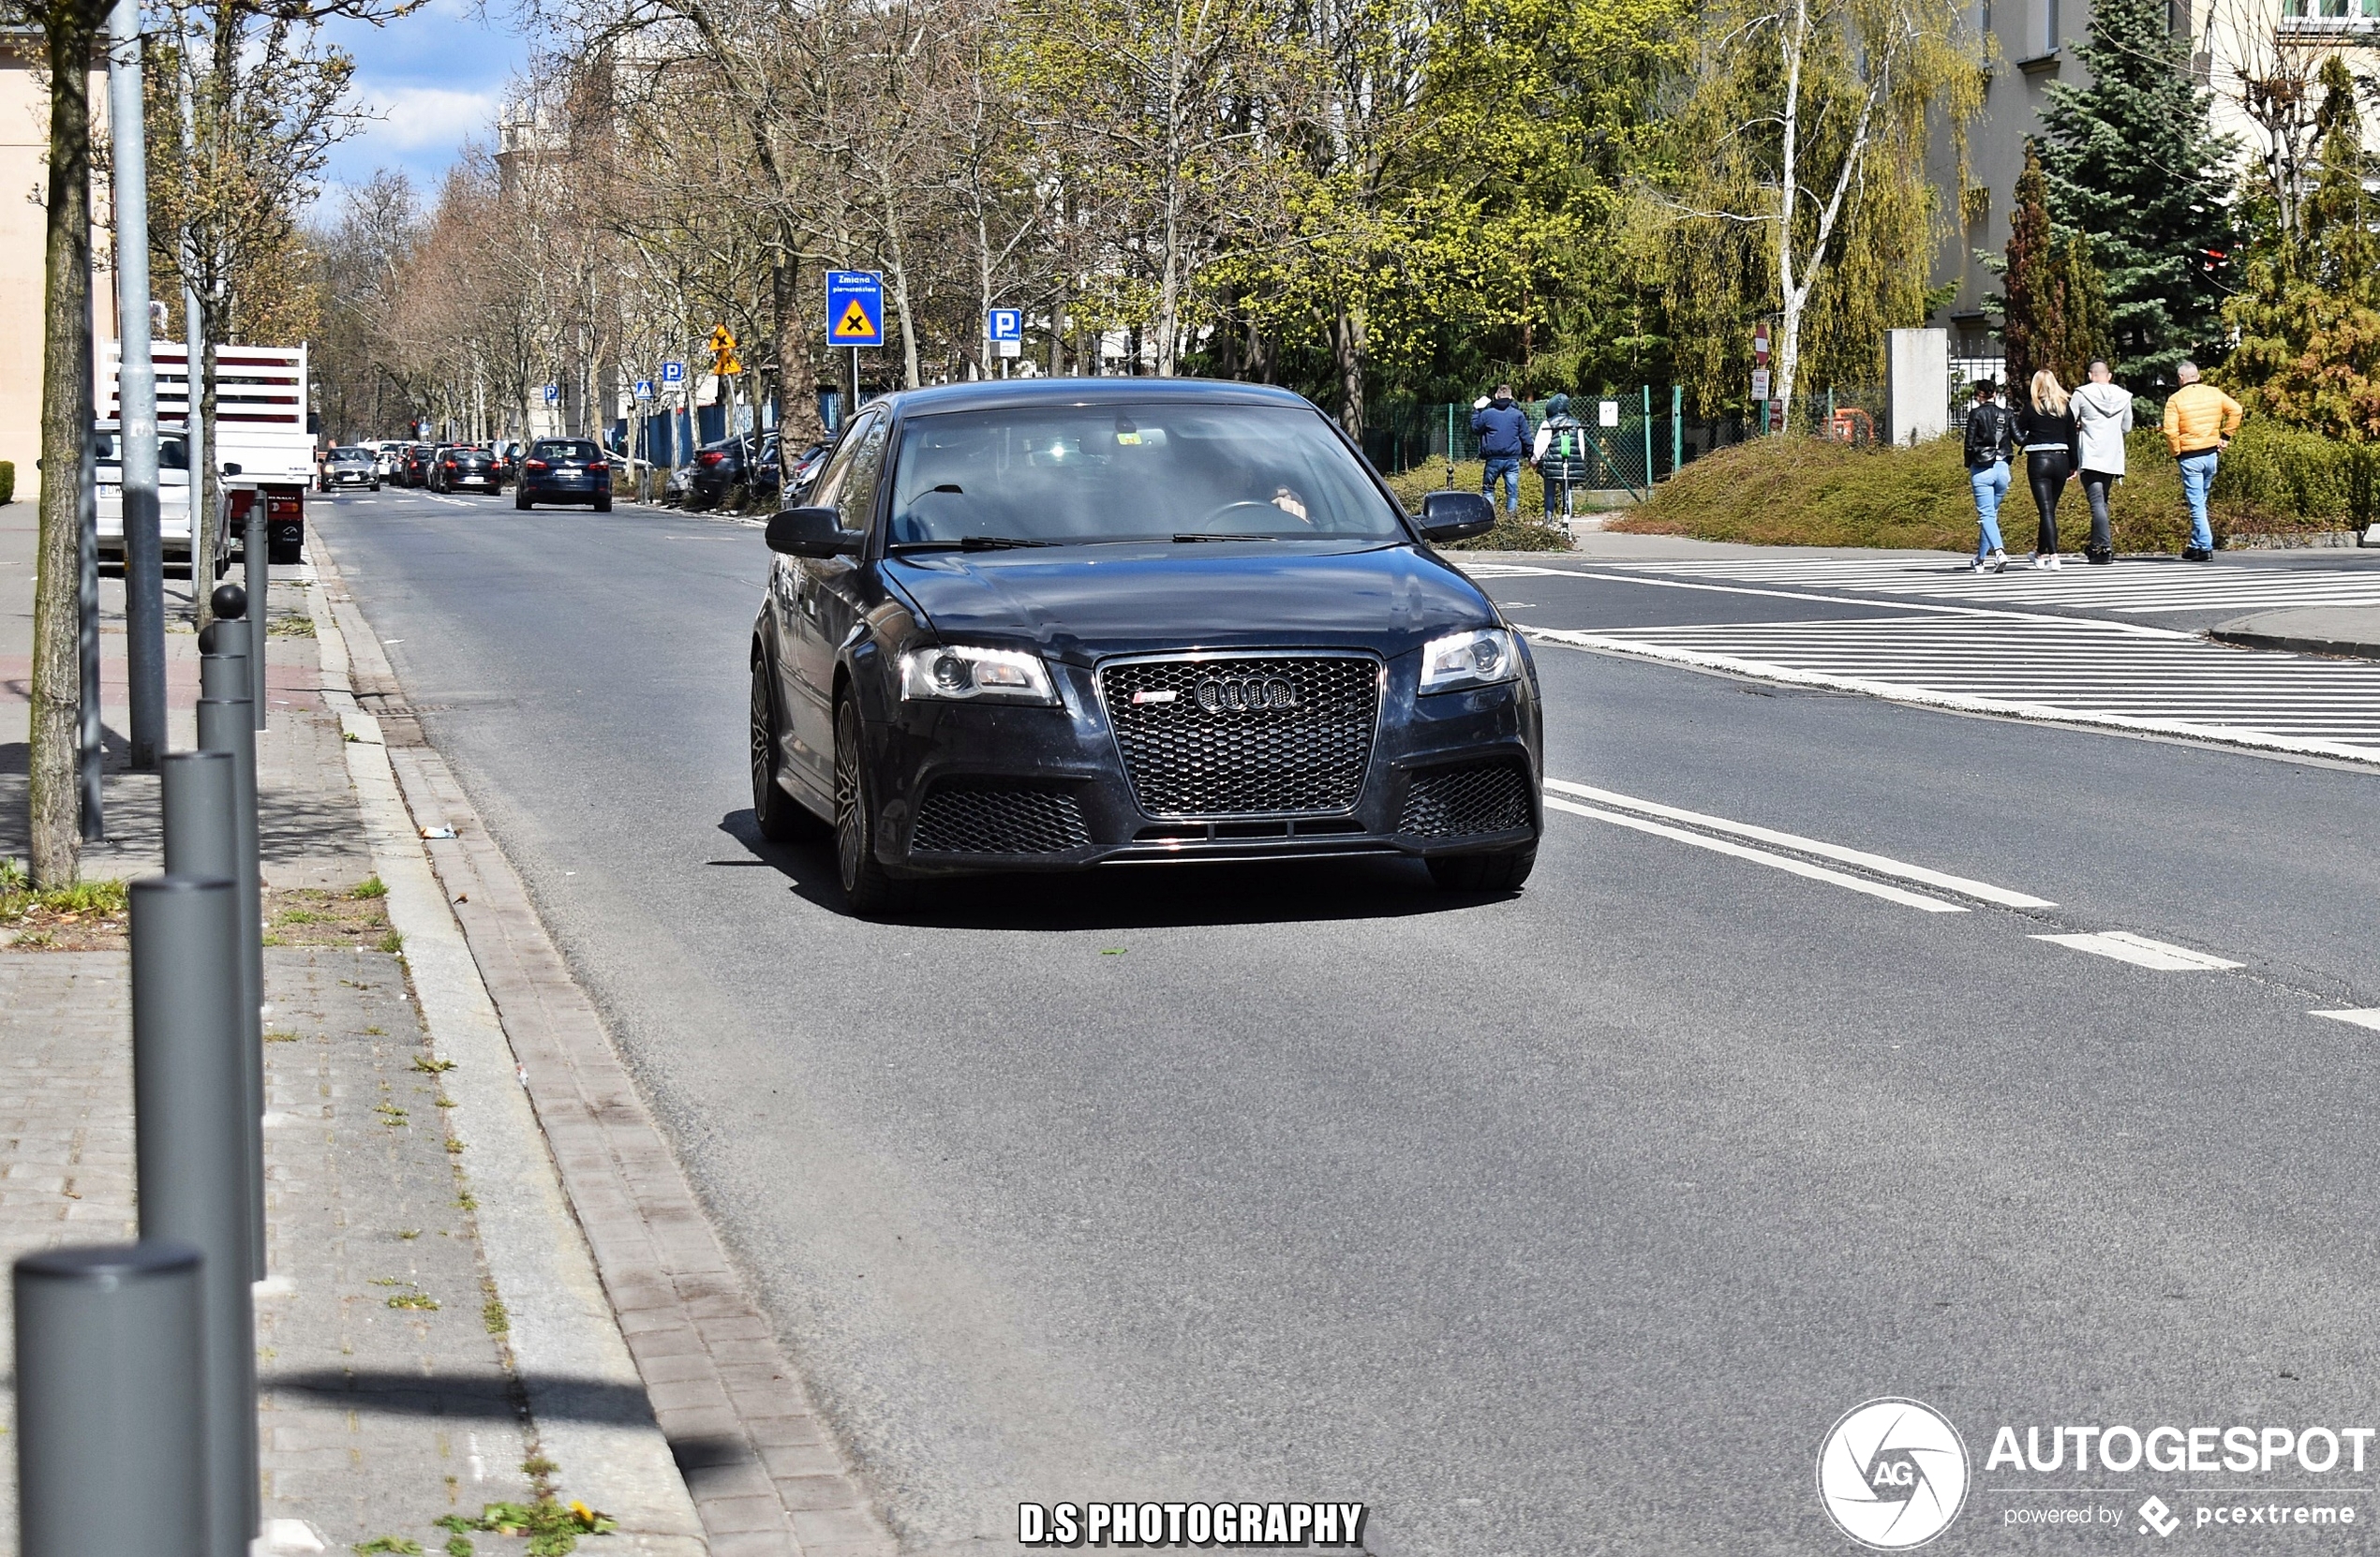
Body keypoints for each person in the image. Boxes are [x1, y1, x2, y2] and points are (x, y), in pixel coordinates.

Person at [2161, 360, 2243, 562]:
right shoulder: (2214, 392)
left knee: (2196, 503)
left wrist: (2176, 452)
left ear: (2181, 378)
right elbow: (2236, 410)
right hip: (2211, 453)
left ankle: (2205, 545)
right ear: (2197, 376)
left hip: (2190, 455)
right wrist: (2226, 436)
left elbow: (2170, 430)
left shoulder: (2175, 400)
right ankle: (2195, 545)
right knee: (2202, 500)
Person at [2069, 359, 2132, 565]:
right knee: (2102, 501)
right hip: (2112, 455)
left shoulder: (2082, 394)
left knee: (2097, 503)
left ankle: (2104, 548)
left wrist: (2080, 426)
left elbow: (2069, 420)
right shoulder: (2123, 396)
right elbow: (2127, 426)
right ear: (2109, 376)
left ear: (2090, 375)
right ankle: (2096, 546)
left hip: (2090, 454)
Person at [2013, 369, 2077, 570]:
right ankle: (2041, 553)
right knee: (2049, 509)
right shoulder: (2064, 407)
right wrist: (2074, 465)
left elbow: (2017, 430)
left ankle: (2054, 555)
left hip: (2039, 459)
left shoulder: (2032, 407)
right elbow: (2072, 438)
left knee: (2046, 509)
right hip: (2061, 458)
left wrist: (2026, 440)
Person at [1962, 378, 2014, 573]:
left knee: (1986, 515)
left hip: (1982, 468)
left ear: (1980, 395)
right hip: (2002, 469)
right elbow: (2017, 438)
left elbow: (1969, 443)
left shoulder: (1976, 413)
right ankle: (1980, 559)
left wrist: (1969, 463)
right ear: (1995, 393)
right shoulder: (2006, 414)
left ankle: (1999, 552)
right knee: (1991, 515)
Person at [1470, 384, 1532, 516]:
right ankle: (1511, 520)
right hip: (1512, 459)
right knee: (1512, 493)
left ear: (1496, 396)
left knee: (1488, 490)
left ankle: (1489, 519)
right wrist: (1531, 456)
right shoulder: (1518, 415)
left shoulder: (1487, 414)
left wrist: (1476, 410)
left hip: (1493, 459)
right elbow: (1526, 437)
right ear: (1511, 397)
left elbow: (1475, 428)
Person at [1532, 393, 1589, 521]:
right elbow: (1581, 446)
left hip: (1550, 463)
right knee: (1567, 491)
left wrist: (1534, 460)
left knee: (1549, 492)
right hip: (1569, 463)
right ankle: (1566, 519)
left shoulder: (1548, 423)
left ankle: (1549, 520)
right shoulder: (1576, 423)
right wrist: (1579, 460)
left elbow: (1540, 446)